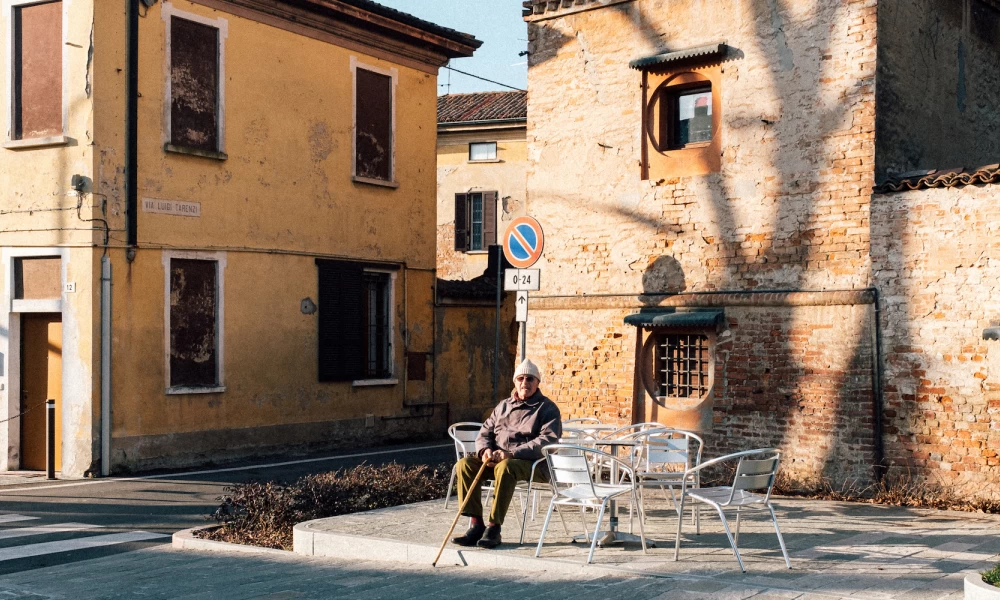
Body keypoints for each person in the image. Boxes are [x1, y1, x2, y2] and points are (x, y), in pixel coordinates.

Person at [452, 358, 562, 549]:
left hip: (533, 465)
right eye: (520, 378)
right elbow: (484, 432)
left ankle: (494, 528)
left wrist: (511, 453)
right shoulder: (503, 406)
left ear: (537, 383)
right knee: (465, 464)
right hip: (497, 460)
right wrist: (484, 451)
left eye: (530, 379)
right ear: (514, 382)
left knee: (506, 467)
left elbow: (547, 441)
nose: (524, 383)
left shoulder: (547, 408)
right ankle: (476, 524)